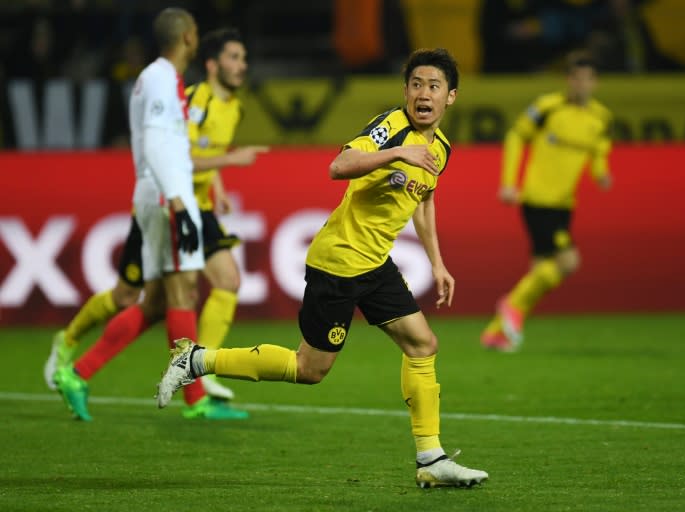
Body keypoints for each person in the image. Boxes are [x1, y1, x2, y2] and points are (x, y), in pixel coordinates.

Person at [155, 48, 489, 488]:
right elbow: (339, 165)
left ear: (451, 97)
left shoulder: (440, 148)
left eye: (434, 86)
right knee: (310, 368)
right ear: (405, 91)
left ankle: (431, 459)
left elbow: (424, 198)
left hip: (374, 264)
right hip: (338, 263)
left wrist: (437, 262)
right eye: (416, 84)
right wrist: (396, 155)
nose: (423, 93)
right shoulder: (393, 130)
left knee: (422, 344)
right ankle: (198, 359)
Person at [50, 10, 250, 421]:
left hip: (160, 192)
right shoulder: (161, 78)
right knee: (183, 295)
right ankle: (195, 401)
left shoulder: (157, 78)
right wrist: (178, 201)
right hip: (166, 194)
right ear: (190, 38)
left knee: (159, 301)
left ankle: (79, 373)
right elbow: (160, 144)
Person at [481, 51, 612, 352]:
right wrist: (508, 183)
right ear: (569, 80)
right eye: (576, 78)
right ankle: (511, 305)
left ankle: (496, 333)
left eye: (588, 79)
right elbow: (515, 136)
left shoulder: (600, 118)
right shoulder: (546, 107)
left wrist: (601, 174)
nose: (581, 85)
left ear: (596, 83)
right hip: (538, 199)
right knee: (568, 261)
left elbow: (599, 151)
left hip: (565, 203)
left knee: (541, 271)